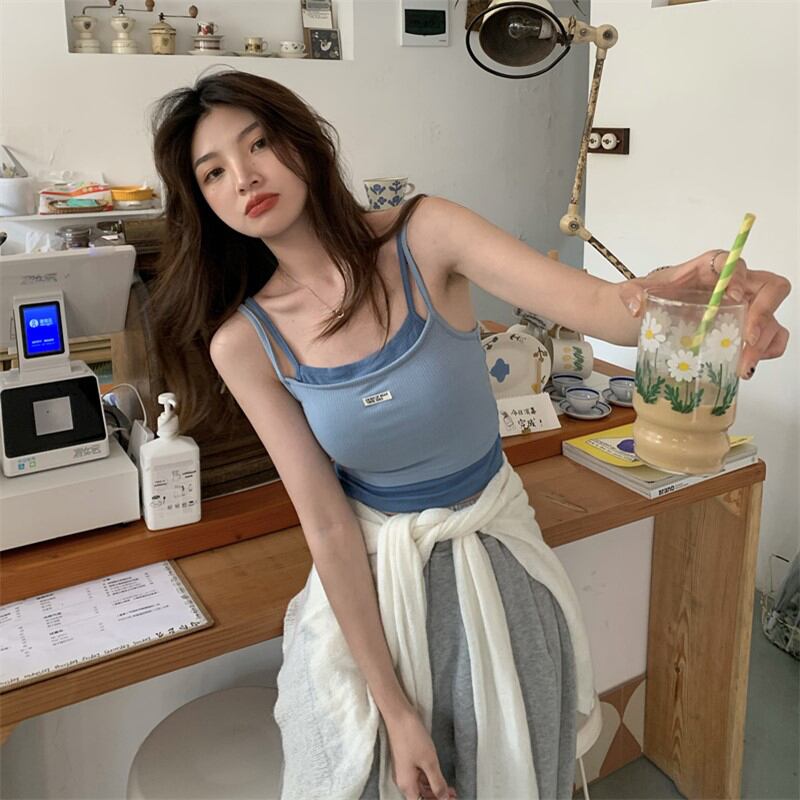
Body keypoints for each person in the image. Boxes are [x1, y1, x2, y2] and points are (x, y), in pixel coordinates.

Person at [148, 70, 791, 800]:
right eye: (214, 172)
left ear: (301, 141)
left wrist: (702, 284)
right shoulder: (245, 342)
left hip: (498, 567)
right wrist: (395, 712)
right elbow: (327, 526)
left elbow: (606, 309)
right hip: (377, 596)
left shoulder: (426, 235)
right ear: (203, 202)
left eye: (258, 143)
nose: (244, 177)